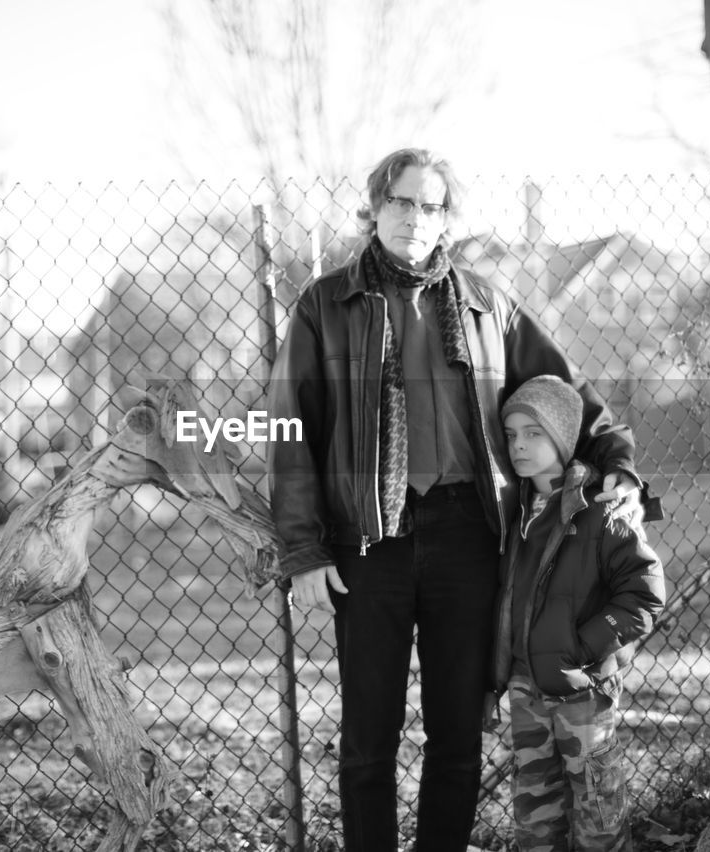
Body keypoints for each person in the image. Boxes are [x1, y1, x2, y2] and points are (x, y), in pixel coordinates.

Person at [267, 147, 643, 851]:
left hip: (468, 539)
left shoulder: (484, 304)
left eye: (431, 205)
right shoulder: (326, 305)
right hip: (368, 546)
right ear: (375, 208)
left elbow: (562, 387)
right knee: (369, 738)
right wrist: (304, 550)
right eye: (402, 202)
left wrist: (613, 455)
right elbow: (293, 429)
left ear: (447, 218)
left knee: (456, 736)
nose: (416, 217)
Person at [490, 375, 666, 852]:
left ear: (564, 437)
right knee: (536, 815)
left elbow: (645, 594)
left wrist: (582, 648)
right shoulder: (513, 512)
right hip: (527, 691)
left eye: (534, 433)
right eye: (511, 435)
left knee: (598, 813)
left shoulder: (599, 511)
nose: (519, 446)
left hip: (582, 692)